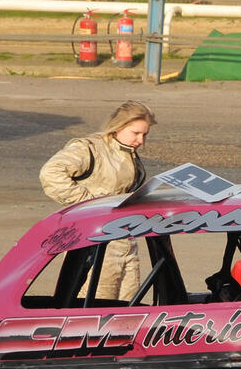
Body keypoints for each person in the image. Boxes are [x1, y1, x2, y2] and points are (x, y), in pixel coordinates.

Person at [39, 101, 158, 302]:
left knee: (130, 308)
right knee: (96, 310)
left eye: (144, 134)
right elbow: (50, 173)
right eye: (135, 133)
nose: (140, 140)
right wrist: (90, 205)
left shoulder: (128, 153)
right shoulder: (90, 148)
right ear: (118, 126)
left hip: (127, 242)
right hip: (96, 243)